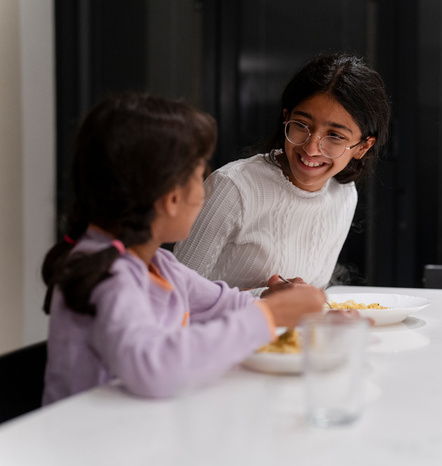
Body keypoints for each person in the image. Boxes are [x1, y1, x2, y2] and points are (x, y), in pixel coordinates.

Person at [41, 92, 325, 405]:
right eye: (198, 174)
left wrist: (286, 303)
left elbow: (224, 304)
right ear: (172, 199)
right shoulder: (105, 275)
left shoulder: (160, 264)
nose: (203, 188)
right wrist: (267, 316)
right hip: (88, 444)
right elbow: (153, 367)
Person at [173, 53, 391, 293]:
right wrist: (265, 299)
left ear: (362, 147)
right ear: (286, 118)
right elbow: (177, 295)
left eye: (335, 136)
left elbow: (314, 291)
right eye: (301, 125)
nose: (311, 147)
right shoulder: (232, 187)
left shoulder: (344, 194)